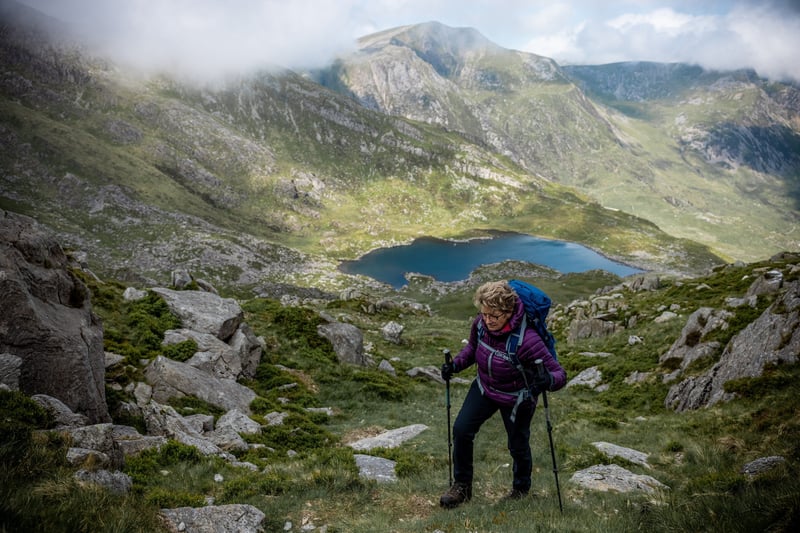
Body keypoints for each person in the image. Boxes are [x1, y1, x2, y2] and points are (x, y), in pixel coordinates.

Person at [439, 280, 567, 508]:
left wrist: (548, 380)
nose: (488, 320)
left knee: (517, 445)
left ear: (508, 312)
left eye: (494, 315)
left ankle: (520, 489)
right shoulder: (480, 325)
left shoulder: (527, 339)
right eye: (484, 313)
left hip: (517, 398)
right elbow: (472, 349)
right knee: (461, 430)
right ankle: (462, 487)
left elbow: (559, 374)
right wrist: (455, 366)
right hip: (485, 388)